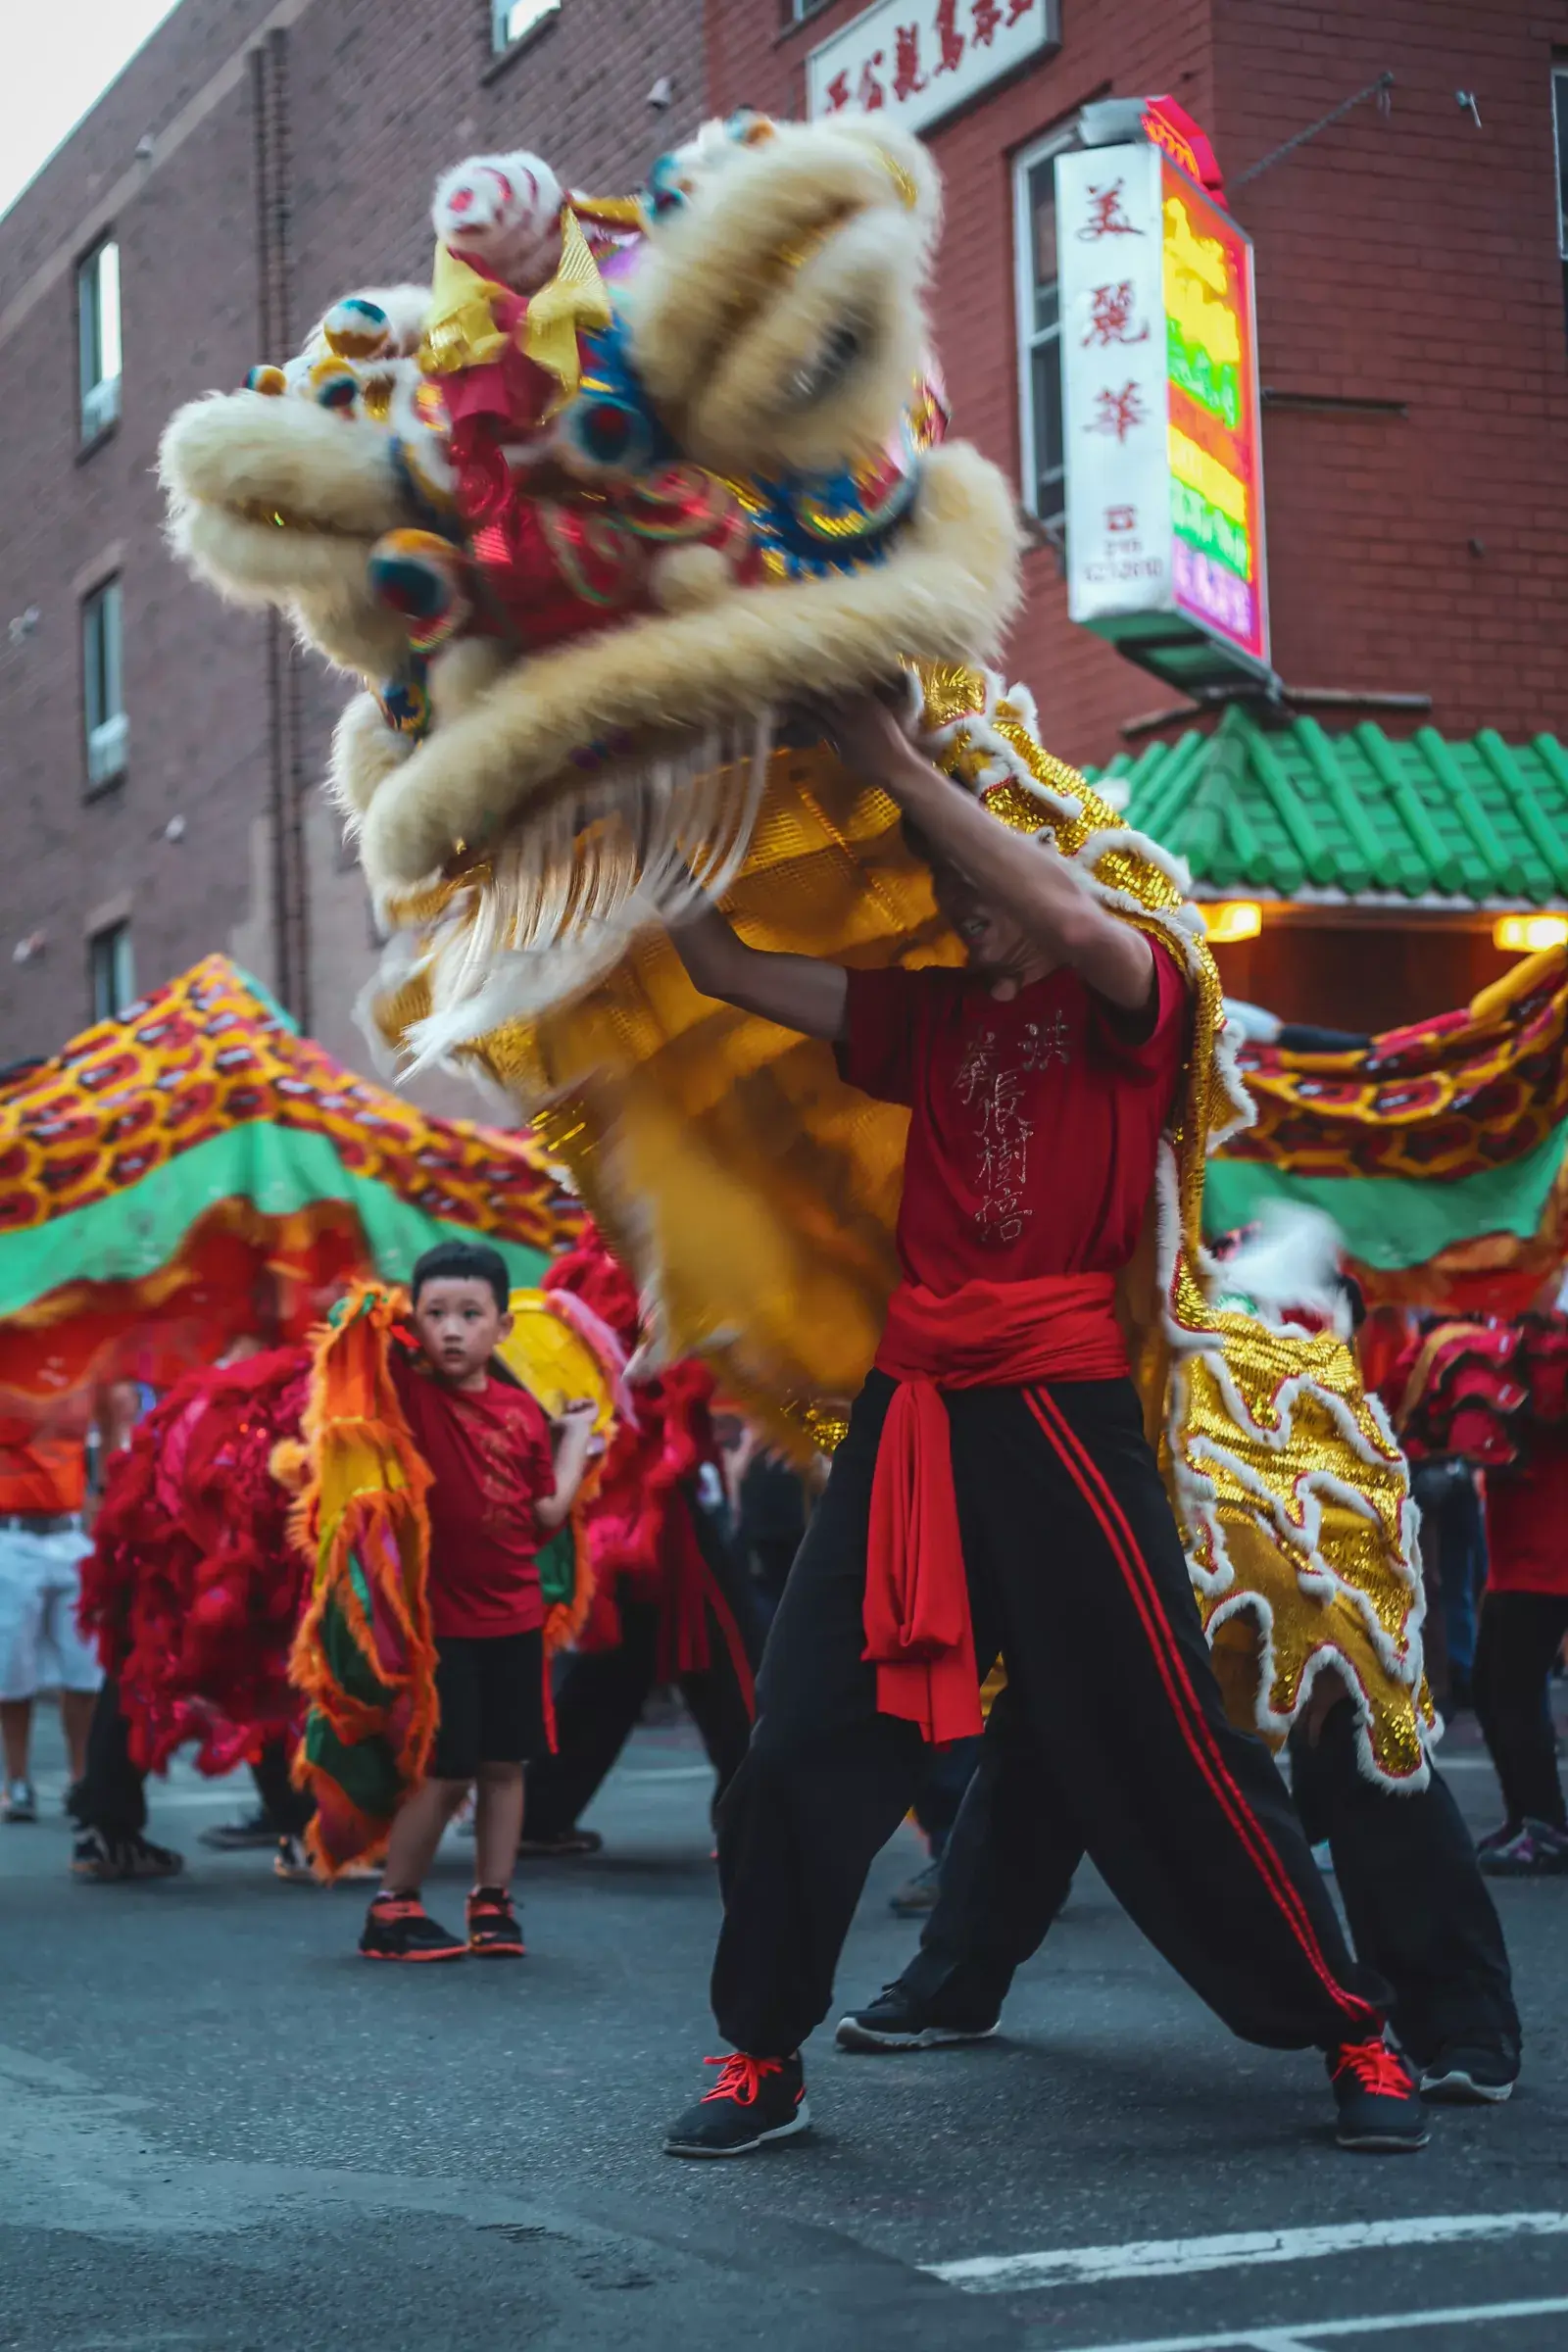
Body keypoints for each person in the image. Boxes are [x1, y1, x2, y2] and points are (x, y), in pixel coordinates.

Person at [660, 694, 1429, 2160]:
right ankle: (761, 2051)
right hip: (918, 1414)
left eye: (993, 883)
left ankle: (1350, 2029)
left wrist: (889, 759)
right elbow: (723, 966)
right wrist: (655, 802)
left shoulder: (1136, 996)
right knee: (802, 1738)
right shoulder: (927, 1015)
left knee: (1164, 1739)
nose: (978, 912)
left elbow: (1071, 923)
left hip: (1063, 1406)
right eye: (959, 896)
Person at [839, 1680, 1520, 2105]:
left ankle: (1457, 2006)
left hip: (1285, 1456)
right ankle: (960, 1972)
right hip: (1118, 1453)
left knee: (1352, 1680)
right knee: (1058, 1678)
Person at [358, 1240, 597, 1961]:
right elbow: (365, 1338)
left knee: (505, 1765)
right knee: (447, 1766)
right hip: (443, 1626)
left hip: (516, 1619)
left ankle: (492, 1901)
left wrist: (576, 1436)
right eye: (436, 1314)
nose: (453, 1329)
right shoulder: (410, 1396)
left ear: (503, 1326)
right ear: (415, 1325)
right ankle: (391, 1906)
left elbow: (546, 1515)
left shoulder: (522, 1415)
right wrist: (387, 1316)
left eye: (471, 1313)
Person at [0, 1410, 105, 1823]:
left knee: (85, 1666)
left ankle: (80, 1777)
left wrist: (103, 1499)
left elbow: (107, 1432)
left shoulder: (78, 1373)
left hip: (71, 1532)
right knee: (11, 1667)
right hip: (11, 1535)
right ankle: (17, 1779)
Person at [1472, 1424, 1568, 1877]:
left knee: (1512, 1694)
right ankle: (1526, 1817)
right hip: (1516, 1555)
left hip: (1546, 1557)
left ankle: (1544, 1826)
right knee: (1493, 1691)